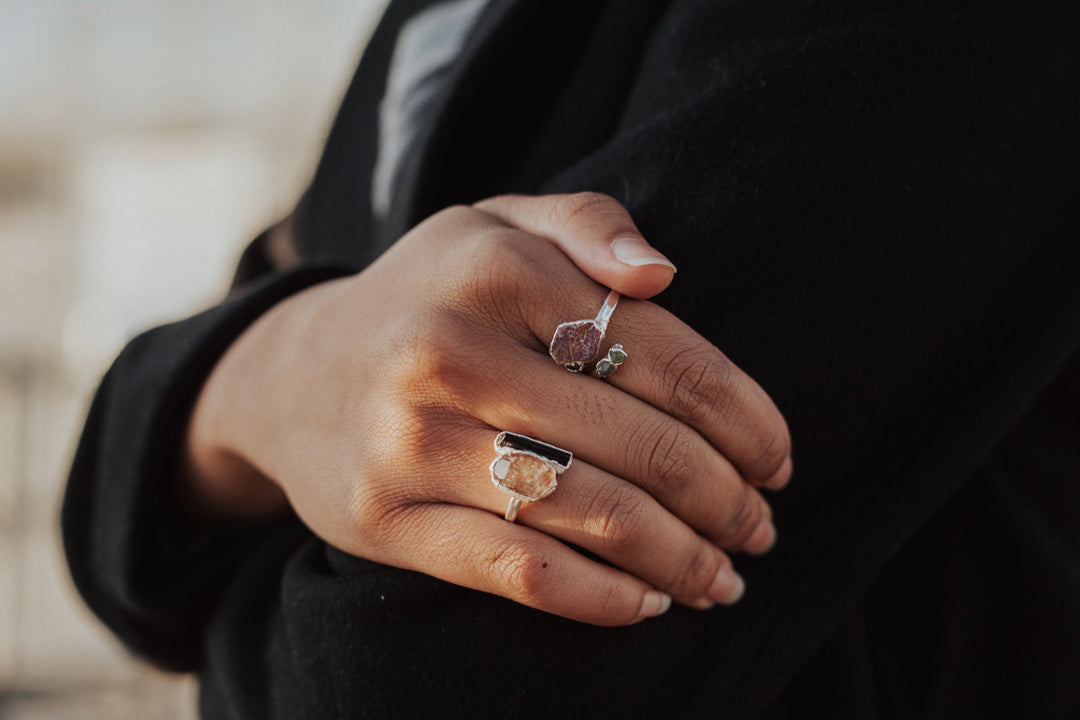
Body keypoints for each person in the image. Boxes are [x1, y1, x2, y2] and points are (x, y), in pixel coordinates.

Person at [63, 0, 1080, 717]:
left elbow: (424, 681)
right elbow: (120, 521)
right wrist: (276, 369)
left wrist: (258, 469)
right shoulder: (424, 26)